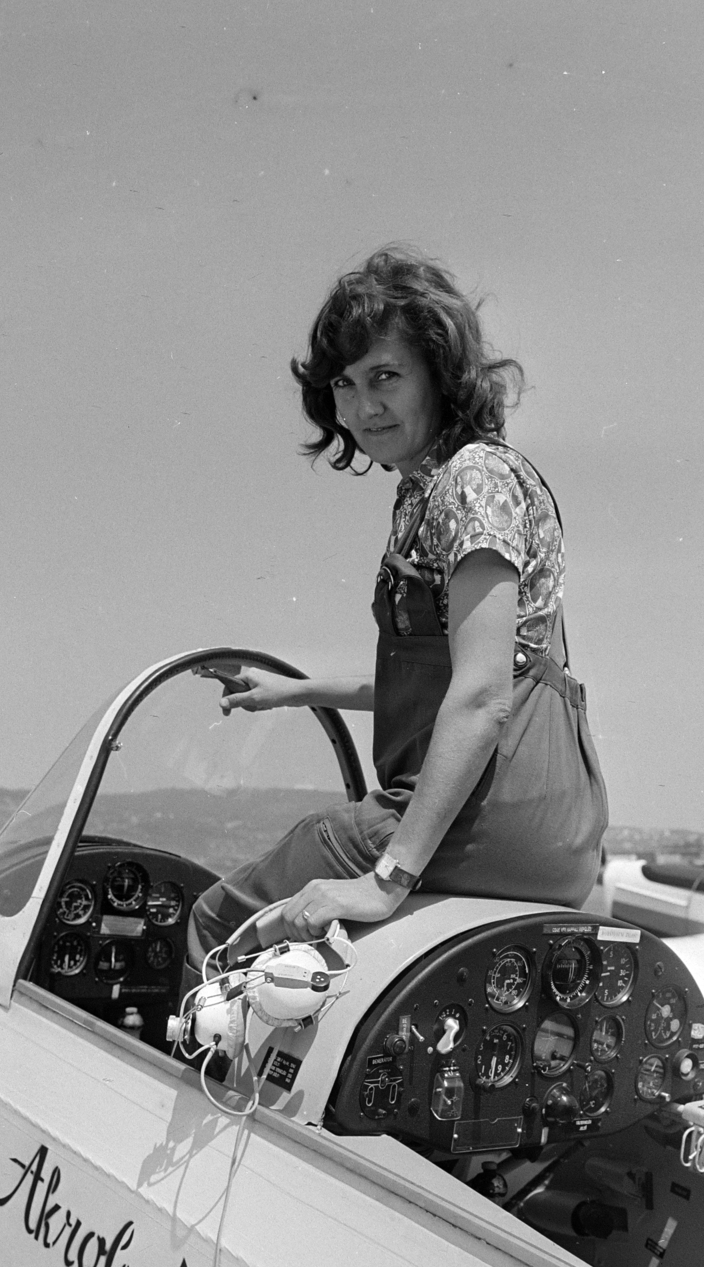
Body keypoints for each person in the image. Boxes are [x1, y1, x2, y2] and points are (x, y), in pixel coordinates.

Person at [189, 246, 607, 962]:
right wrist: (296, 691)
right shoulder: (444, 485)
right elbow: (457, 683)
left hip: (471, 822)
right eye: (344, 385)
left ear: (440, 375)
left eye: (385, 376)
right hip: (552, 835)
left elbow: (480, 702)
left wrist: (388, 880)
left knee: (215, 925)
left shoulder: (470, 479)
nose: (362, 406)